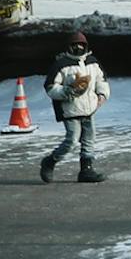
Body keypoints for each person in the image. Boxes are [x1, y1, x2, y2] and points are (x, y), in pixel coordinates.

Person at [39, 31, 111, 184]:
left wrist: (102, 95)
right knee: (71, 140)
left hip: (89, 108)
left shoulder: (92, 62)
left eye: (81, 45)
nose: (78, 48)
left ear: (86, 46)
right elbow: (50, 87)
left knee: (89, 139)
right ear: (68, 47)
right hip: (70, 109)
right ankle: (50, 161)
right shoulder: (61, 64)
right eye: (74, 45)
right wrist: (66, 91)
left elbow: (101, 80)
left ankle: (86, 170)